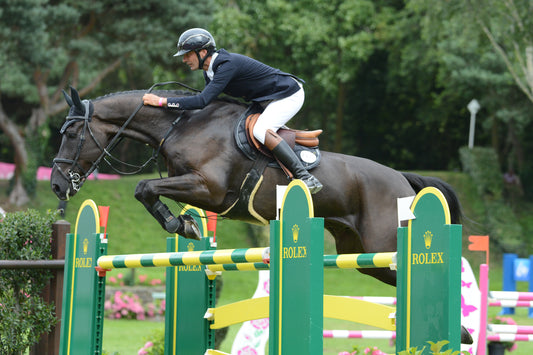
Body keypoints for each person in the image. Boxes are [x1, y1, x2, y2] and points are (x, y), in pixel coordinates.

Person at [142, 28, 322, 194]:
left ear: (203, 52)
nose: (184, 60)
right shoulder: (210, 71)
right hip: (265, 99)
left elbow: (202, 101)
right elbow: (209, 101)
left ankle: (305, 177)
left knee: (260, 130)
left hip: (287, 95)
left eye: (187, 54)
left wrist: (161, 102)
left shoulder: (226, 65)